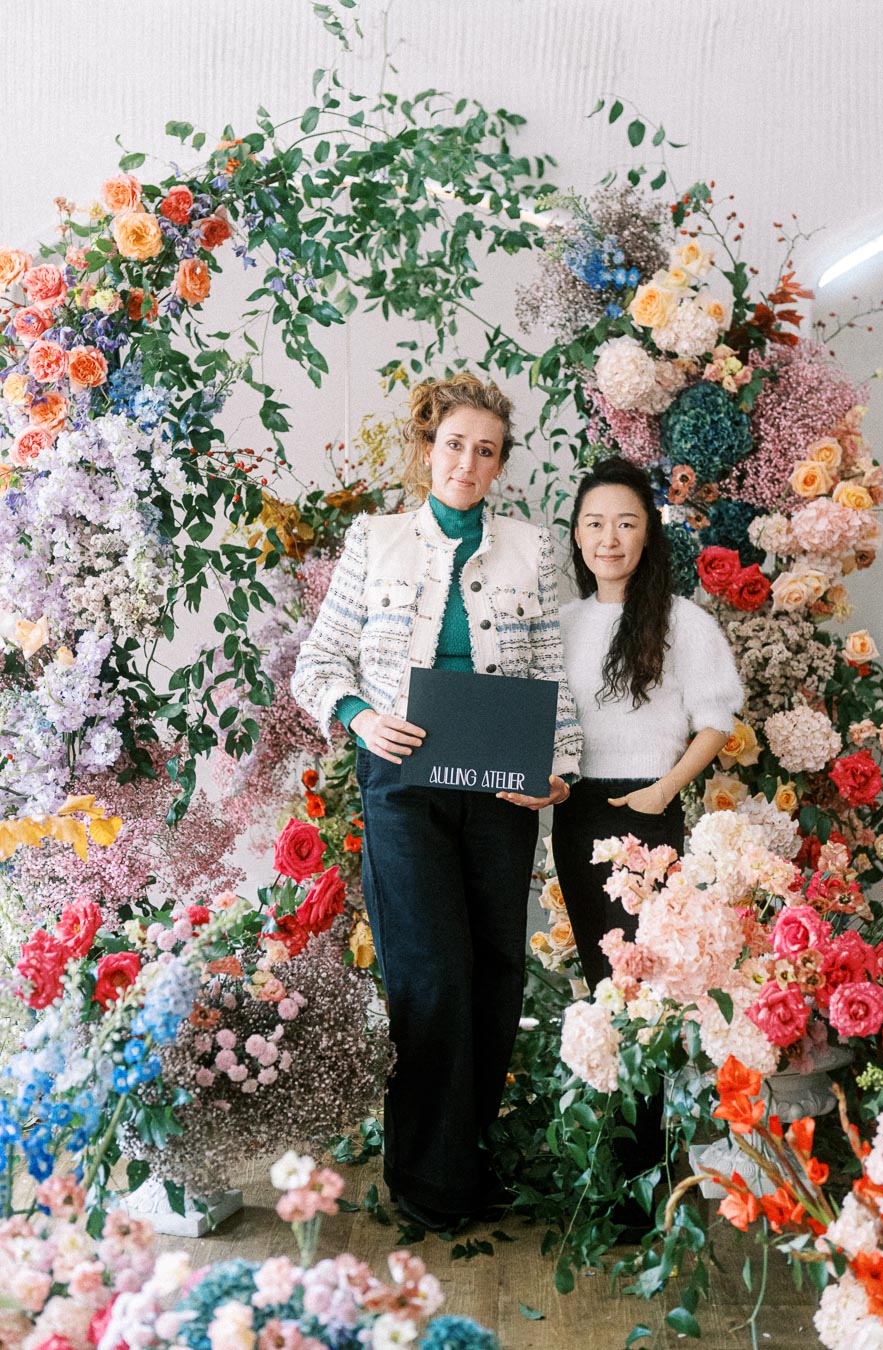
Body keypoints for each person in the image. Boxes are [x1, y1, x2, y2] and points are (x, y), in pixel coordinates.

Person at [292, 372, 581, 1230]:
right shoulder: (374, 541)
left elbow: (553, 678)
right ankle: (423, 1182)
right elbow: (320, 664)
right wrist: (358, 717)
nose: (467, 461)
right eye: (454, 443)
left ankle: (465, 1163)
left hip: (499, 786)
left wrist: (554, 769)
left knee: (495, 974)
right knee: (431, 975)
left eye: (485, 450)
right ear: (428, 449)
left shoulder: (532, 550)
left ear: (499, 466)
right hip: (403, 782)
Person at [552, 456, 743, 1233]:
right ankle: (618, 1168)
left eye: (626, 522)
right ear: (576, 534)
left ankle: (648, 1180)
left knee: (647, 997)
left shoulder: (683, 621)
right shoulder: (563, 622)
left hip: (648, 814)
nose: (610, 537)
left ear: (648, 533)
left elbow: (717, 719)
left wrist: (666, 790)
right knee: (603, 988)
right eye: (595, 522)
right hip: (578, 816)